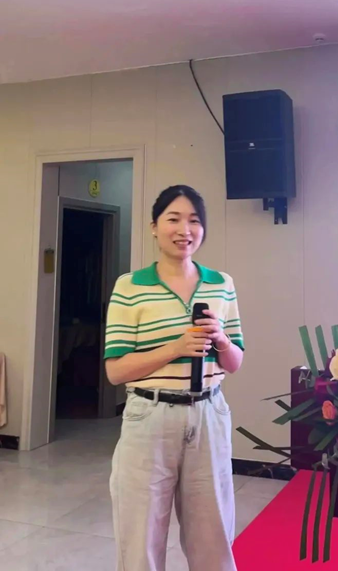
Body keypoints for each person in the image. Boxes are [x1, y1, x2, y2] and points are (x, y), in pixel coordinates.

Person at [105, 185, 245, 571]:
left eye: (194, 221)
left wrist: (221, 340)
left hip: (209, 414)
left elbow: (235, 362)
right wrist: (175, 348)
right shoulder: (129, 287)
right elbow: (115, 371)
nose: (185, 230)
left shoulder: (221, 284)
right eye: (173, 219)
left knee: (213, 537)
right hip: (149, 417)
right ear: (154, 227)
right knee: (140, 539)